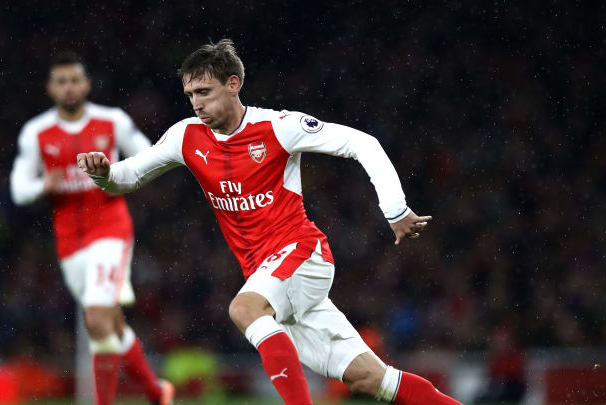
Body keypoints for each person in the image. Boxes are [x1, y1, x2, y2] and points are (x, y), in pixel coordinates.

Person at [77, 39, 461, 405]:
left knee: (244, 310)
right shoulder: (185, 137)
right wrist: (103, 172)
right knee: (373, 380)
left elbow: (363, 143)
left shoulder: (278, 127)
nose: (196, 104)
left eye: (205, 92)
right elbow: (128, 177)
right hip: (267, 275)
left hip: (301, 253)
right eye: (191, 95)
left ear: (234, 85)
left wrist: (394, 209)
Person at [9, 52, 174, 405]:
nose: (68, 88)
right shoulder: (36, 132)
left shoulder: (112, 121)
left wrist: (115, 172)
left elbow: (150, 156)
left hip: (111, 231)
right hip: (70, 241)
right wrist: (42, 186)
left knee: (96, 318)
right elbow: (18, 190)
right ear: (51, 88)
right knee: (110, 323)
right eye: (61, 81)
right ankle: (157, 392)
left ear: (86, 84)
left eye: (74, 80)